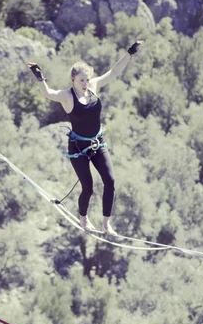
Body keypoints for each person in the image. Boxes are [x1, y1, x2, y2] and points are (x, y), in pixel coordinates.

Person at [28, 40, 143, 235]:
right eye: (82, 80)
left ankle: (106, 224)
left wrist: (129, 54)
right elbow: (48, 93)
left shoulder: (94, 87)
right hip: (78, 148)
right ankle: (84, 219)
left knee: (110, 181)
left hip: (97, 144)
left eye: (87, 79)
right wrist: (39, 77)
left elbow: (114, 72)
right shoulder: (67, 96)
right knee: (88, 187)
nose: (86, 83)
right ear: (73, 79)